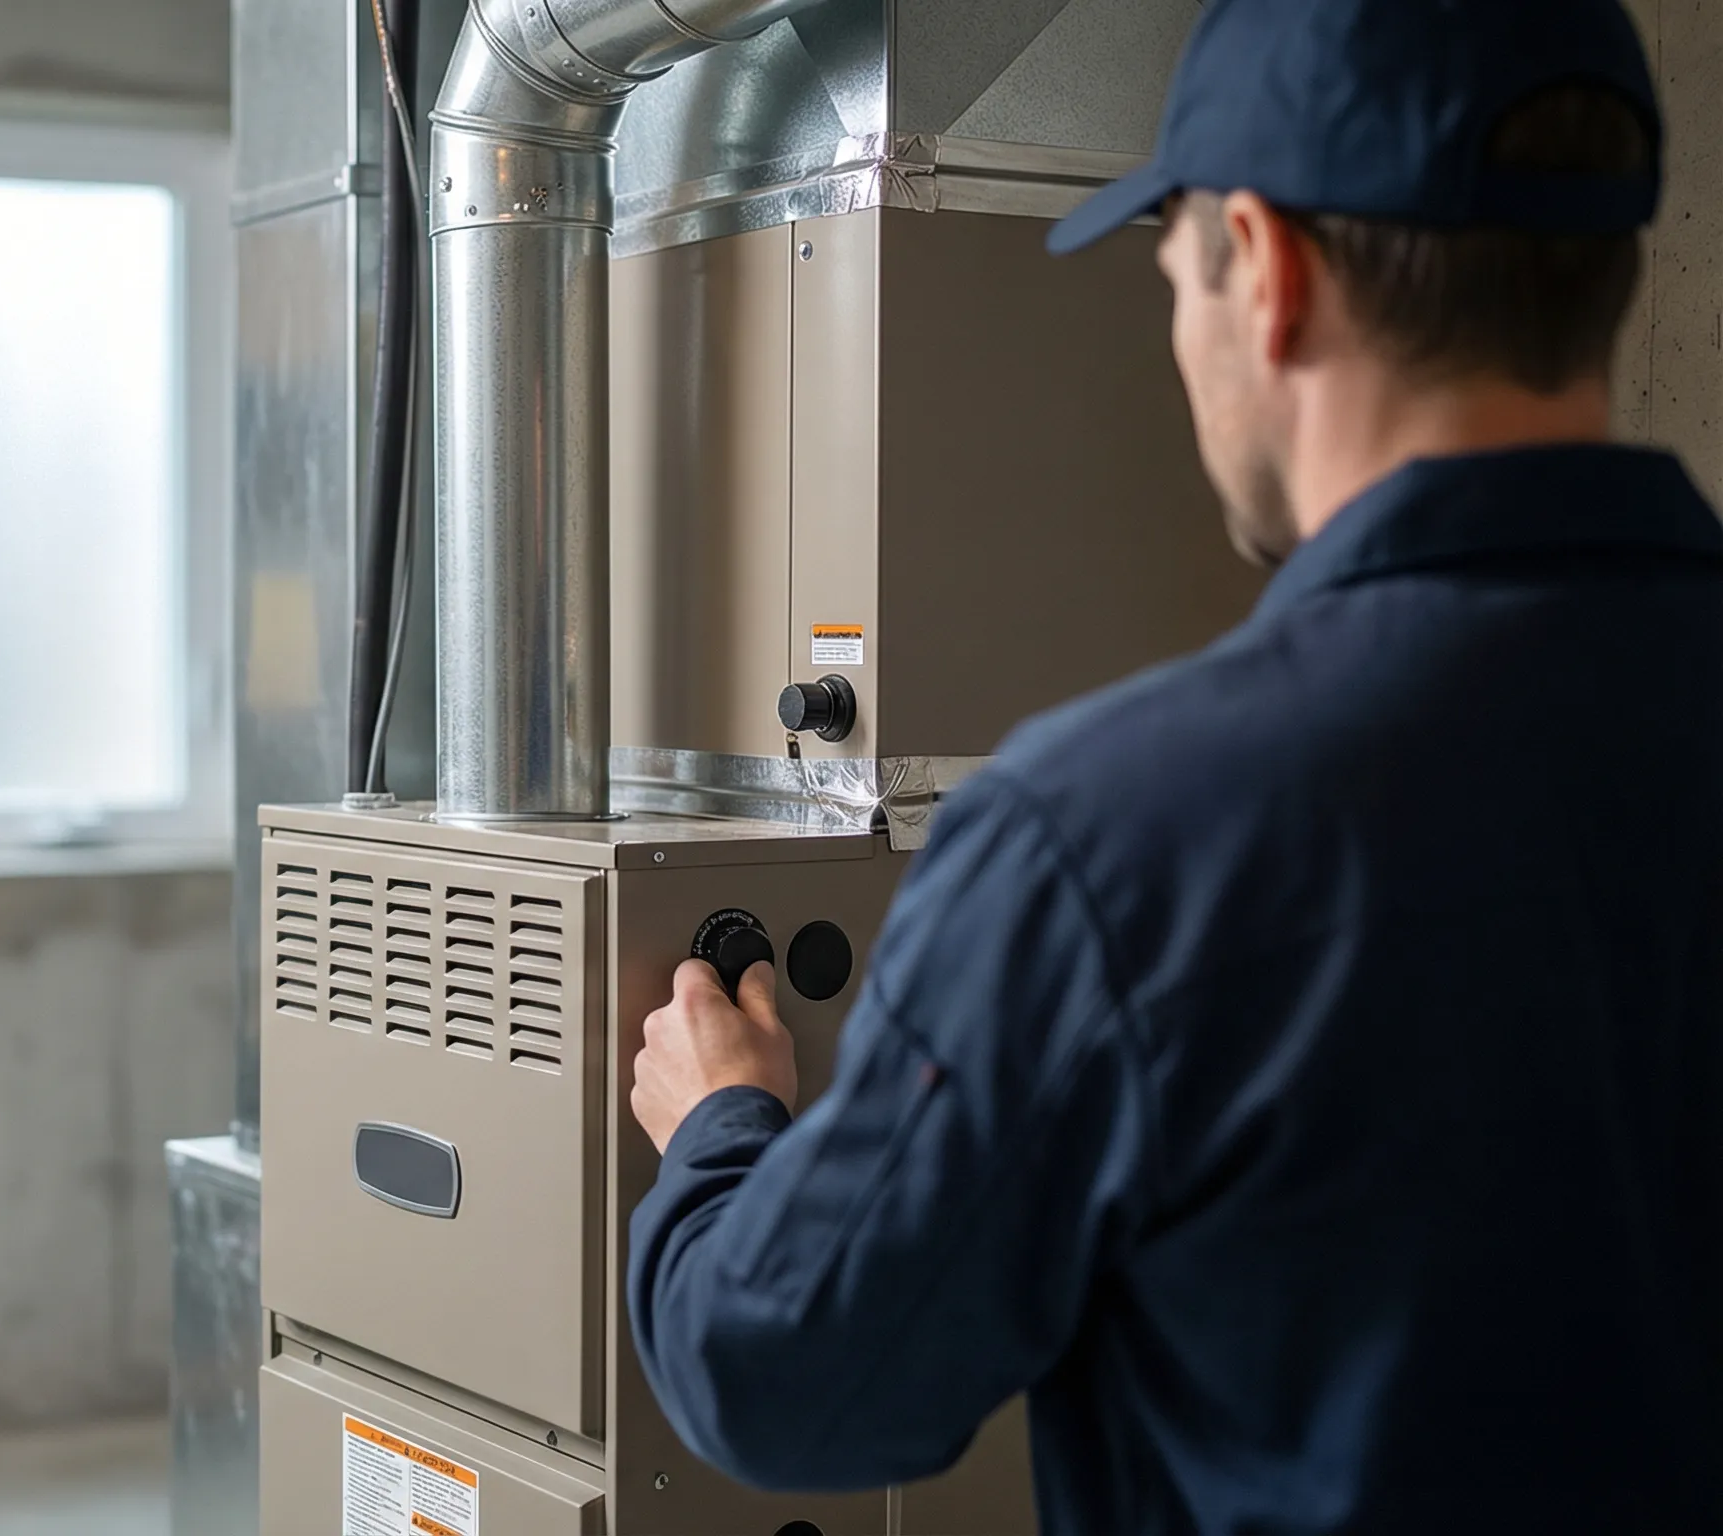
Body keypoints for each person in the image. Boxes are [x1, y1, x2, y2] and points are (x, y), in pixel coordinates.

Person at [622, 0, 1723, 1530]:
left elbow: (784, 1373)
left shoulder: (1116, 838)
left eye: (1175, 262)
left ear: (1266, 273)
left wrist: (720, 1132)